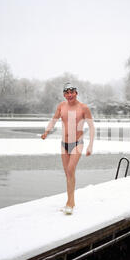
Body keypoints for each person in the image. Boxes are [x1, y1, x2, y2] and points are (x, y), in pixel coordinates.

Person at [41, 82, 95, 214]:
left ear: (76, 93)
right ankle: (70, 201)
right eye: (67, 93)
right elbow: (53, 120)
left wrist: (90, 145)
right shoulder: (61, 106)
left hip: (77, 143)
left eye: (72, 92)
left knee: (70, 170)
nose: (70, 95)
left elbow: (92, 126)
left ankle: (70, 204)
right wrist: (47, 131)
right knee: (68, 174)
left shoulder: (83, 108)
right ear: (64, 94)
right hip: (63, 144)